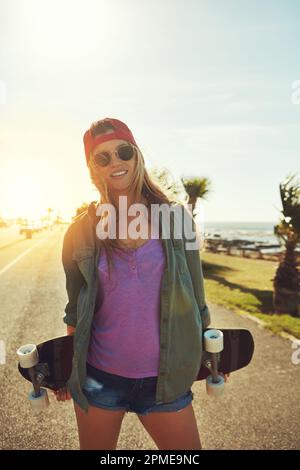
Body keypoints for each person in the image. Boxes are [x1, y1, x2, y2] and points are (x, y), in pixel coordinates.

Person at [56, 117, 224, 450]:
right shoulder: (81, 231)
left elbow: (196, 294)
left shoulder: (176, 219)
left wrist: (212, 353)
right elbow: (75, 311)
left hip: (164, 382)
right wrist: (65, 365)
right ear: (92, 169)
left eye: (122, 152)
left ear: (137, 155)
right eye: (102, 158)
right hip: (98, 379)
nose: (115, 163)